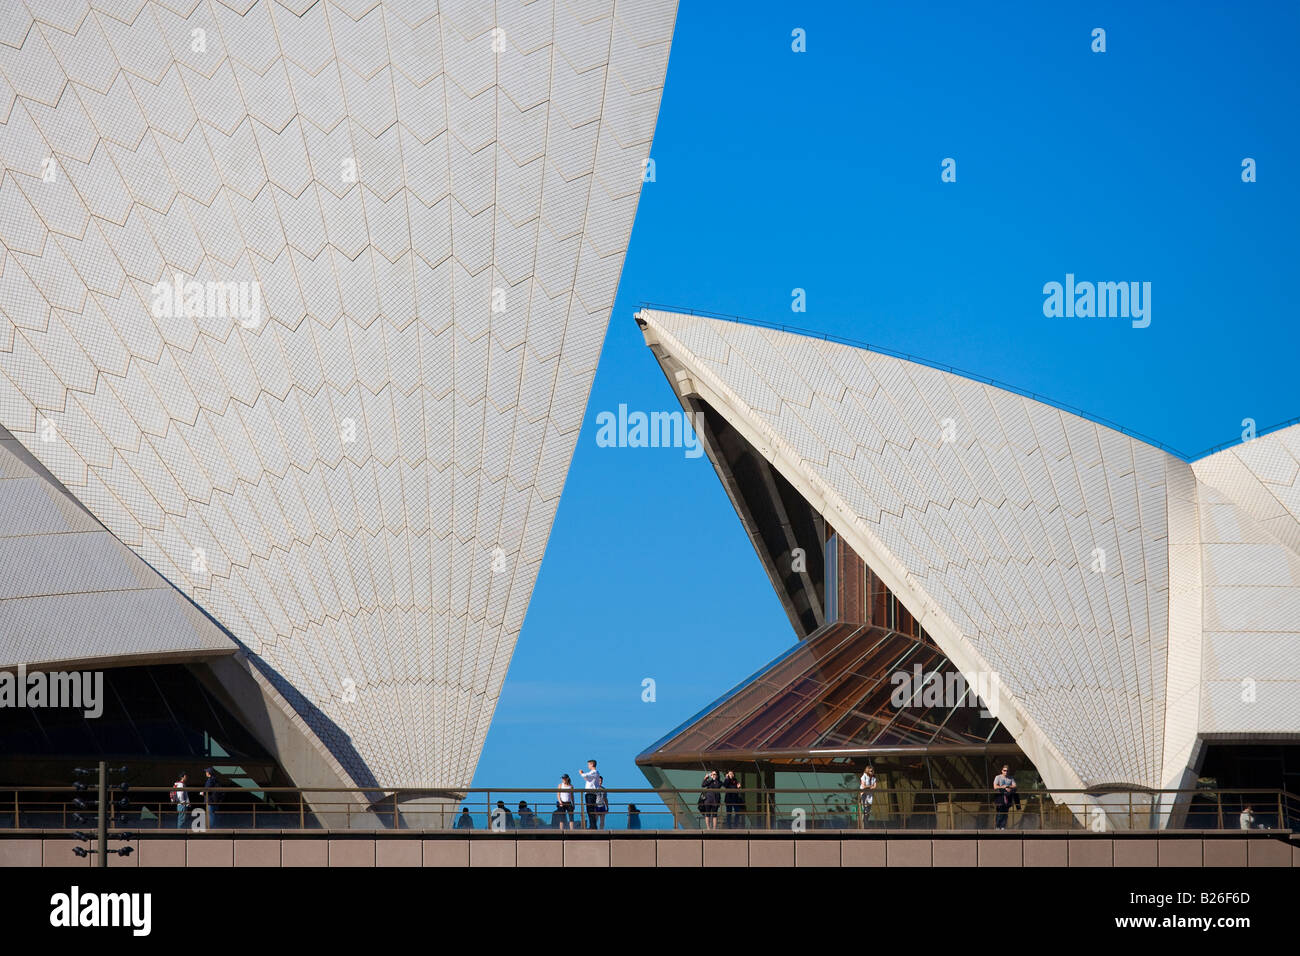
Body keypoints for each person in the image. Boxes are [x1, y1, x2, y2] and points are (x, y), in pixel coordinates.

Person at [579, 759, 604, 830]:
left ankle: (593, 826)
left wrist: (581, 773)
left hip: (591, 793)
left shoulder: (595, 772)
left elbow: (585, 775)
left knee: (591, 810)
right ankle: (592, 825)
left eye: (589, 764)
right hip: (588, 793)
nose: (588, 766)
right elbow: (587, 778)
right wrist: (583, 775)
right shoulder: (592, 773)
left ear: (592, 764)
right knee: (589, 810)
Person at [993, 764, 1017, 830]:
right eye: (1004, 770)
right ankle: (997, 826)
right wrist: (1003, 787)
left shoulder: (1010, 778)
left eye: (1007, 771)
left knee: (1005, 813)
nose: (1006, 772)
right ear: (1002, 771)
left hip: (1007, 797)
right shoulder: (998, 777)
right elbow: (995, 786)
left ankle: (1003, 826)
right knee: (999, 812)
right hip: (1000, 797)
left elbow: (1014, 785)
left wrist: (1008, 787)